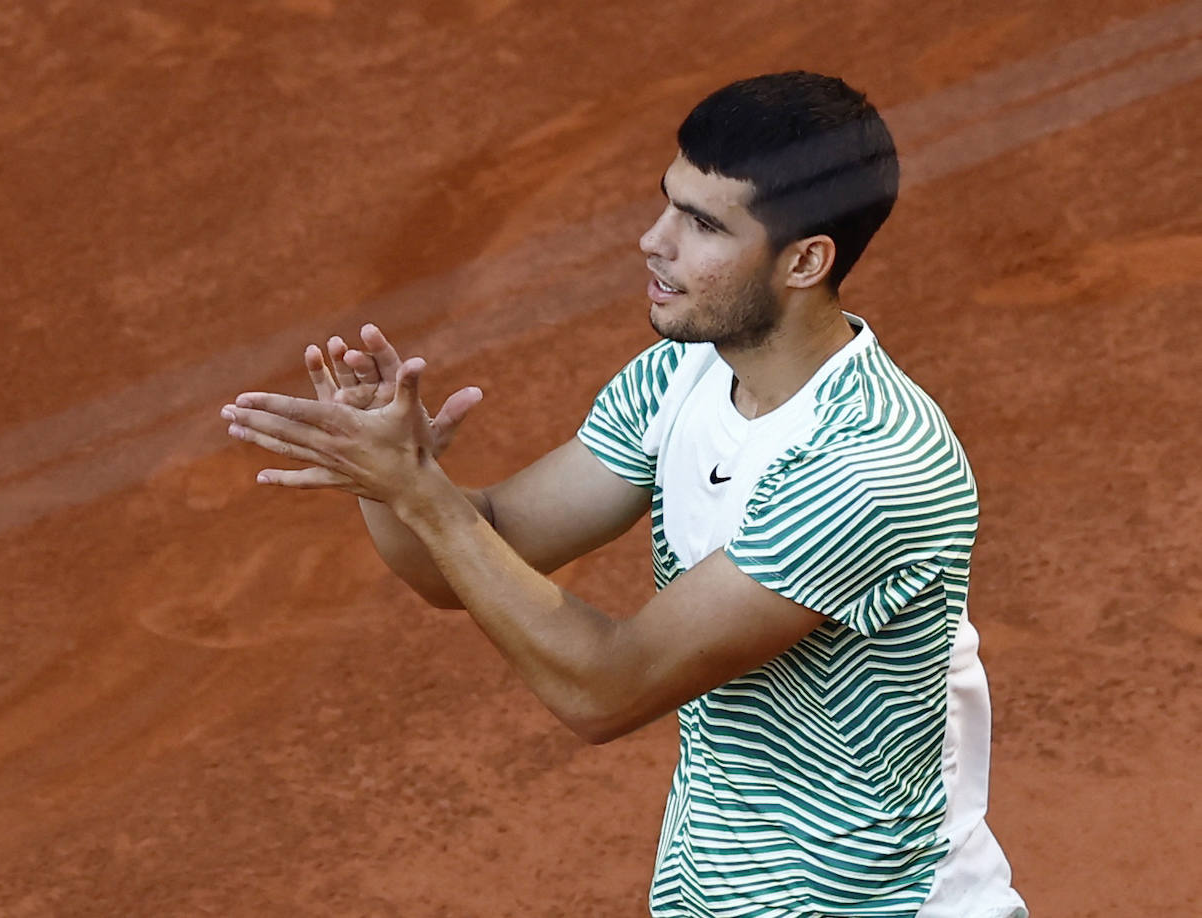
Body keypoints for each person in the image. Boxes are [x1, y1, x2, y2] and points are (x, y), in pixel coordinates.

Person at [221, 71, 1027, 918]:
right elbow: (470, 549)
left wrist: (420, 493)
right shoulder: (680, 377)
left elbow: (606, 689)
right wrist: (383, 471)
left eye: (704, 224)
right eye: (668, 203)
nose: (654, 240)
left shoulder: (867, 468)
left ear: (805, 260)